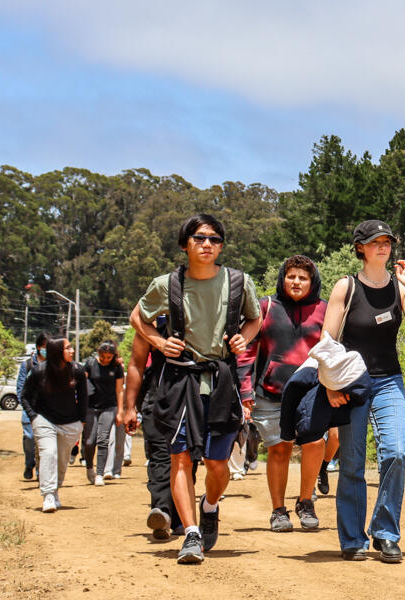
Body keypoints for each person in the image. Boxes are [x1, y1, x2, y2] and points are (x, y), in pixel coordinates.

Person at [129, 213, 262, 565]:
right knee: (181, 459)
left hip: (220, 381)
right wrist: (159, 343)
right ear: (185, 243)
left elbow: (255, 318)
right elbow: (137, 318)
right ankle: (190, 534)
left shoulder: (238, 282)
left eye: (215, 239)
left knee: (219, 465)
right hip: (178, 380)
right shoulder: (166, 284)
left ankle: (210, 505)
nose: (207, 244)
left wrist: (242, 340)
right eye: (200, 238)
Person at [322, 220, 405, 563]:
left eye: (387, 241)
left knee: (396, 453)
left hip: (388, 380)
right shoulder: (346, 287)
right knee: (352, 463)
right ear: (361, 248)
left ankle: (385, 533)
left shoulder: (399, 287)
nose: (383, 246)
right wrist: (328, 387)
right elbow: (327, 343)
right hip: (351, 383)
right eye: (375, 242)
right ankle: (353, 538)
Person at [236, 254, 329, 532]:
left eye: (303, 277)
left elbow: (333, 349)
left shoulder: (324, 309)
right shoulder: (266, 306)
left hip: (313, 390)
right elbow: (247, 349)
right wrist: (245, 389)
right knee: (279, 450)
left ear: (312, 282)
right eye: (291, 276)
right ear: (282, 279)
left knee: (314, 445)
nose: (296, 282)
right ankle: (278, 511)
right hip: (271, 391)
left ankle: (305, 502)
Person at [119, 321, 186, 541]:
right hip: (156, 400)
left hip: (190, 400)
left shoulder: (202, 317)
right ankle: (162, 512)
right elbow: (136, 365)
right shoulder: (151, 326)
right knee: (160, 458)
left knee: (186, 458)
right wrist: (130, 408)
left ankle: (179, 517)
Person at [22, 336, 87, 512]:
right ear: (58, 351)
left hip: (70, 422)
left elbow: (83, 398)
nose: (72, 351)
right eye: (68, 348)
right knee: (48, 454)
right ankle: (48, 495)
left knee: (62, 460)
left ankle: (55, 490)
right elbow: (25, 396)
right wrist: (33, 417)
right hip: (44, 419)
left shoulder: (77, 371)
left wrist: (82, 421)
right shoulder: (39, 371)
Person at [83, 342, 124, 487]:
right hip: (91, 407)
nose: (106, 359)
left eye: (109, 357)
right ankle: (89, 468)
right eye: (103, 356)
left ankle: (100, 473)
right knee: (89, 442)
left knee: (103, 439)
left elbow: (119, 390)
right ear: (98, 352)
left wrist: (120, 411)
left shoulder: (117, 367)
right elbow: (82, 384)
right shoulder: (89, 364)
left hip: (109, 407)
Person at [17, 332, 49, 480]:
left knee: (43, 440)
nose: (47, 350)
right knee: (29, 437)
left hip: (47, 408)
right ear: (38, 347)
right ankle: (30, 463)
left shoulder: (53, 366)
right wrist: (26, 407)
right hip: (29, 407)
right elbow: (20, 388)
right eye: (45, 347)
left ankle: (40, 472)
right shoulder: (28, 365)